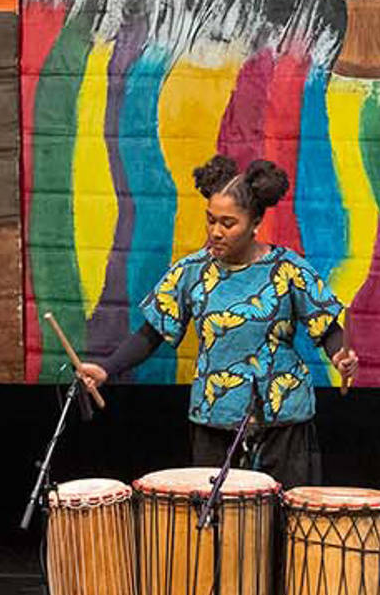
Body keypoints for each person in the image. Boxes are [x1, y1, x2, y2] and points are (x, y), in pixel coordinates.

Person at [76, 156, 357, 489]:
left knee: (285, 526)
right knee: (221, 530)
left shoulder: (288, 269)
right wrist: (107, 368)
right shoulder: (191, 271)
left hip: (283, 421)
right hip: (215, 417)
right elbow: (152, 332)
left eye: (228, 223)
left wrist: (341, 356)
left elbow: (327, 329)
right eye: (211, 220)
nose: (216, 232)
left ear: (255, 223)